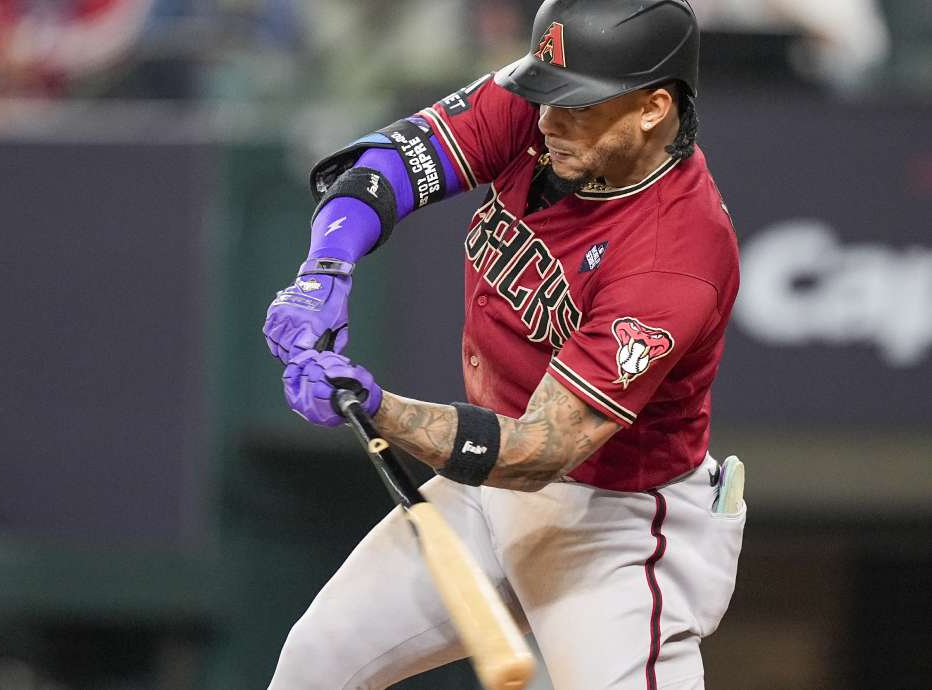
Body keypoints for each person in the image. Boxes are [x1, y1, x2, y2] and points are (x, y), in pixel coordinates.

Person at [261, 1, 744, 688]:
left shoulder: (676, 255)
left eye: (574, 105)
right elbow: (385, 165)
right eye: (546, 93)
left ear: (652, 108)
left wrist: (378, 408)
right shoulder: (548, 110)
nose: (547, 121)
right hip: (485, 491)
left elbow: (538, 449)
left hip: (615, 529)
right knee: (316, 661)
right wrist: (325, 270)